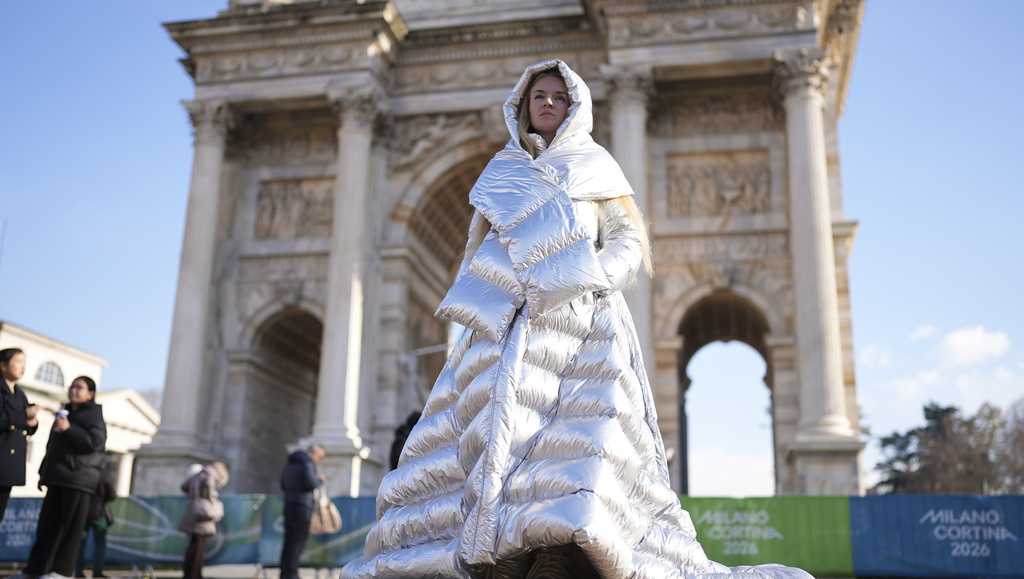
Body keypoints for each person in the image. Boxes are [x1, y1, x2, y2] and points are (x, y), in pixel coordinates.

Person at [341, 61, 811, 579]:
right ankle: (499, 549)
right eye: (538, 96)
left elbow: (629, 242)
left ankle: (557, 548)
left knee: (576, 437)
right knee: (494, 436)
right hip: (505, 330)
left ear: (574, 107)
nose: (547, 103)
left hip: (580, 325)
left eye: (557, 97)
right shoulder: (499, 171)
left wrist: (586, 277)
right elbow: (476, 254)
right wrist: (480, 309)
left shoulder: (597, 165)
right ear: (522, 106)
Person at [19, 376, 107, 579]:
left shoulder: (93, 415)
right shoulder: (64, 414)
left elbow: (94, 444)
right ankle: (36, 570)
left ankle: (61, 571)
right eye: (72, 386)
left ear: (90, 394)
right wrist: (44, 473)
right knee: (46, 528)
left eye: (80, 387)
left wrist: (70, 429)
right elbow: (52, 448)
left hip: (78, 480)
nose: (74, 390)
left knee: (69, 530)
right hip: (57, 478)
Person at [1, 348, 39, 522]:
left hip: (9, 465)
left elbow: (25, 426)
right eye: (17, 361)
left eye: (24, 362)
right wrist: (24, 416)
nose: (22, 366)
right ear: (3, 365)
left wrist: (32, 423)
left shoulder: (20, 393)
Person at [279, 440, 326, 579]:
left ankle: (284, 573)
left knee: (288, 541)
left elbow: (282, 483)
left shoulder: (289, 463)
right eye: (320, 456)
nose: (319, 460)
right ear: (314, 453)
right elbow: (311, 483)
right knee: (298, 542)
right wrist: (320, 480)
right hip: (303, 507)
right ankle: (292, 574)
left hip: (288, 505)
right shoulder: (307, 463)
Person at [179, 461, 229, 579]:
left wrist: (194, 496)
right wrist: (216, 507)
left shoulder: (198, 475)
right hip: (203, 516)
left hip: (192, 512)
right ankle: (195, 575)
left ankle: (189, 573)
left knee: (193, 547)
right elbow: (210, 496)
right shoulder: (209, 476)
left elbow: (184, 487)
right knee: (198, 549)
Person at [74, 459, 117, 578]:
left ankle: (78, 572)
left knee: (80, 544)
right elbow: (112, 494)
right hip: (99, 514)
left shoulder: (82, 472)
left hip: (83, 513)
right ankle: (97, 572)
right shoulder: (103, 475)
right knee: (100, 545)